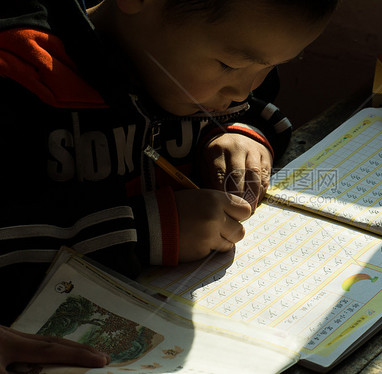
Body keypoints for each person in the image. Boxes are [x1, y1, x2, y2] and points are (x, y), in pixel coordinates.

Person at [0, 0, 338, 369]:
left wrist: (242, 133)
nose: (244, 90)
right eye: (230, 65)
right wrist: (145, 230)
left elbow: (253, 105)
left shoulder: (194, 69)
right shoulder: (19, 78)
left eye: (272, 65)